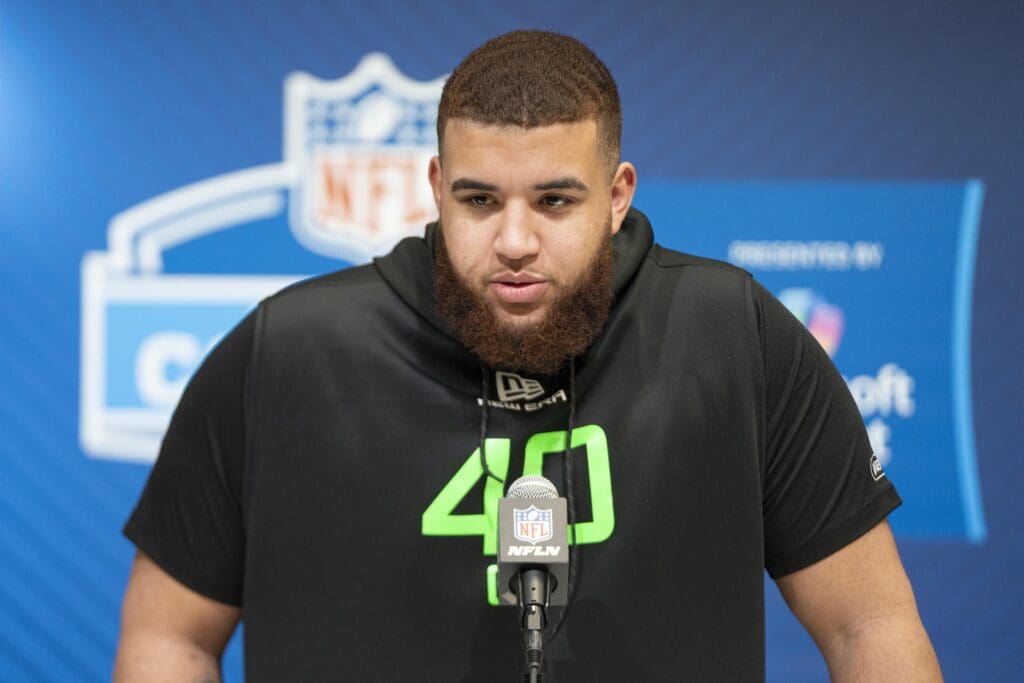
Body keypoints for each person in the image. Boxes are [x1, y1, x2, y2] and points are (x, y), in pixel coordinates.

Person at [114, 30, 942, 681]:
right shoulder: (285, 351)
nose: (514, 241)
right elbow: (170, 635)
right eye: (479, 200)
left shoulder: (735, 334)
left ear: (617, 196)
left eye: (554, 200)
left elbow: (867, 624)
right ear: (437, 187)